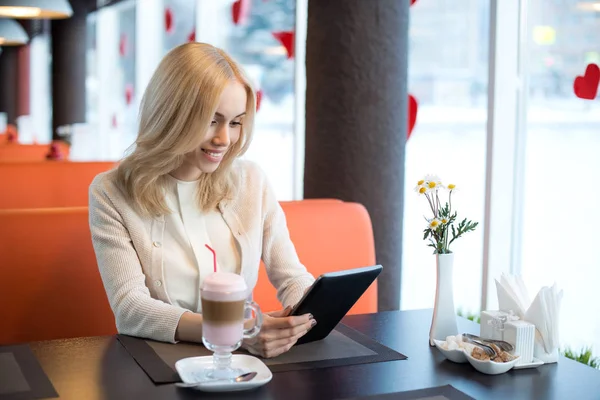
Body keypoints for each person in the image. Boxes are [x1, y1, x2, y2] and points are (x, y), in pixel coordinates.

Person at [89, 43, 316, 358]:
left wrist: (309, 314)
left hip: (240, 361)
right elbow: (130, 308)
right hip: (159, 362)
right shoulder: (111, 192)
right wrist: (236, 330)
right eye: (212, 120)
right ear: (172, 115)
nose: (224, 139)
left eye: (235, 122)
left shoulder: (252, 181)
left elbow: (291, 275)